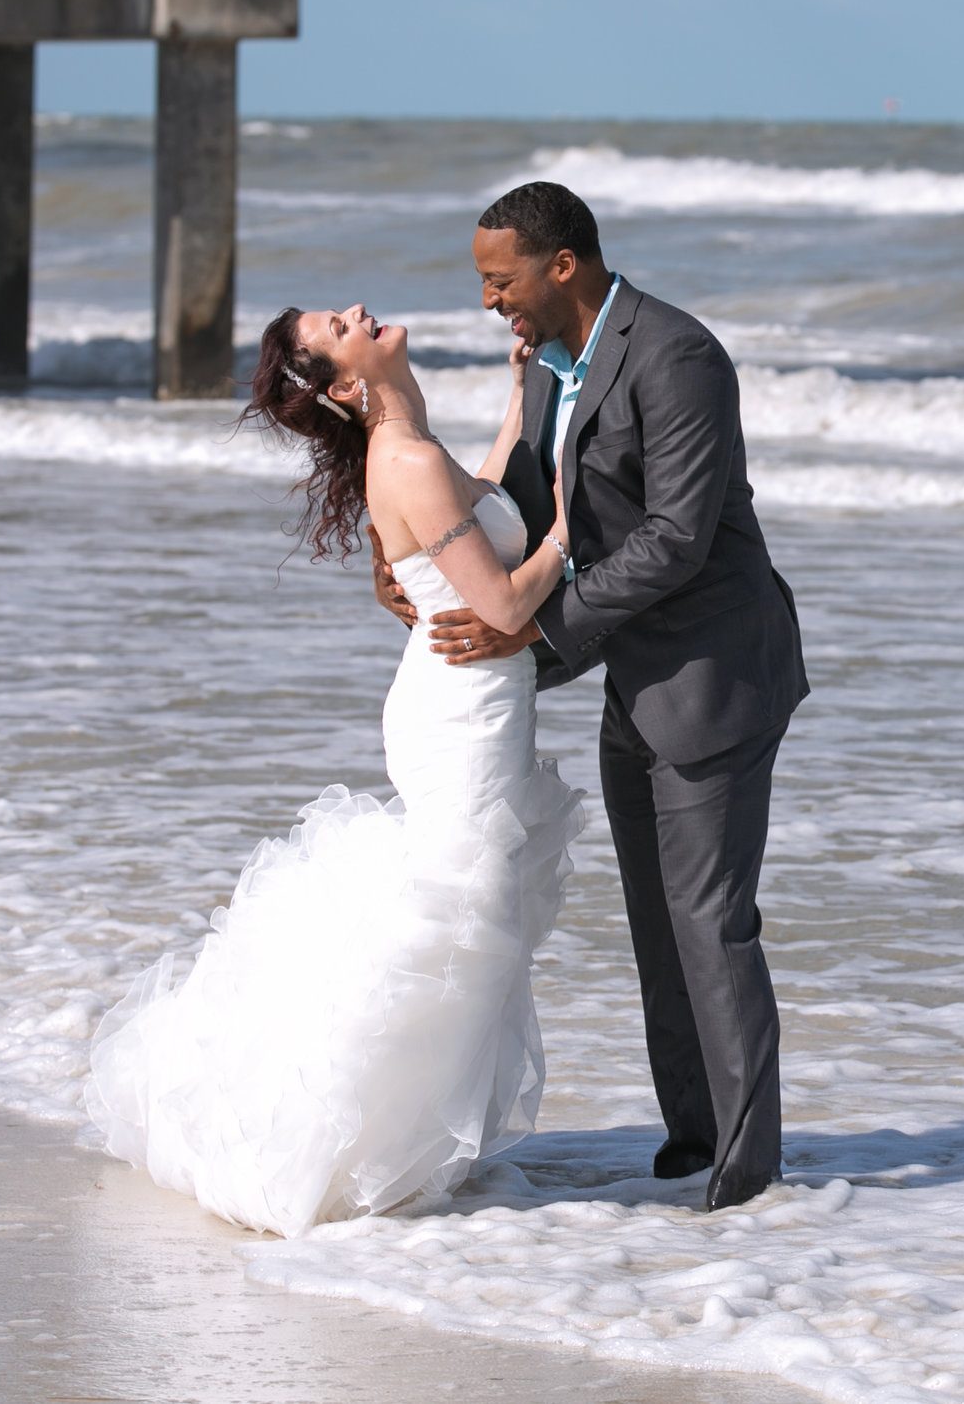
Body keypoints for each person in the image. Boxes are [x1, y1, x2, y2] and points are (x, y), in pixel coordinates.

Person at [86, 305, 581, 1238]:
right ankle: (348, 1154)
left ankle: (394, 1148)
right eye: (340, 326)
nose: (360, 312)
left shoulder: (412, 444)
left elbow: (478, 497)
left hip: (460, 702)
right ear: (349, 385)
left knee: (467, 914)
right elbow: (508, 601)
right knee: (461, 918)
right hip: (462, 716)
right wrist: (570, 521)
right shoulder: (405, 459)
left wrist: (522, 395)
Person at [381, 181, 807, 1213]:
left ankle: (748, 1178)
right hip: (631, 672)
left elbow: (676, 537)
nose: (490, 301)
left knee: (711, 920)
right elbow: (519, 503)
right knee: (658, 923)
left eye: (500, 279)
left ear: (561, 263)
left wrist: (533, 629)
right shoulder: (546, 369)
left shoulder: (677, 355)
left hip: (717, 670)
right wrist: (407, 557)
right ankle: (691, 1136)